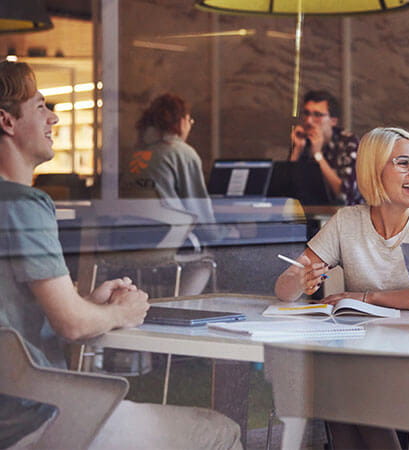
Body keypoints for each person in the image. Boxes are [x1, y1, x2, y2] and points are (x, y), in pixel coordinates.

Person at [0, 61, 241, 449]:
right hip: (36, 421)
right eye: (41, 106)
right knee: (219, 430)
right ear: (7, 121)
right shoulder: (24, 205)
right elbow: (72, 327)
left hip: (12, 414)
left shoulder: (135, 155)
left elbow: (17, 314)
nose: (54, 118)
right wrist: (119, 313)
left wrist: (84, 302)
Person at [275, 127, 409, 449]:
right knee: (338, 382)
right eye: (403, 163)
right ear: (374, 170)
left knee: (347, 386)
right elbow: (284, 287)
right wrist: (300, 281)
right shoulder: (348, 221)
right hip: (363, 359)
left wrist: (365, 298)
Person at [121, 93, 226, 244]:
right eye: (190, 120)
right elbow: (199, 211)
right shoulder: (181, 153)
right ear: (182, 122)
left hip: (129, 241)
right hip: (170, 240)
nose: (190, 125)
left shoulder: (136, 155)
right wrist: (226, 234)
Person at [289, 90, 363, 205]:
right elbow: (285, 192)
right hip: (308, 215)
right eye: (306, 113)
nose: (309, 121)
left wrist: (318, 155)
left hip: (343, 216)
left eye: (317, 115)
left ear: (333, 121)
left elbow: (344, 195)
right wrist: (297, 151)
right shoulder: (303, 141)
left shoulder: (348, 143)